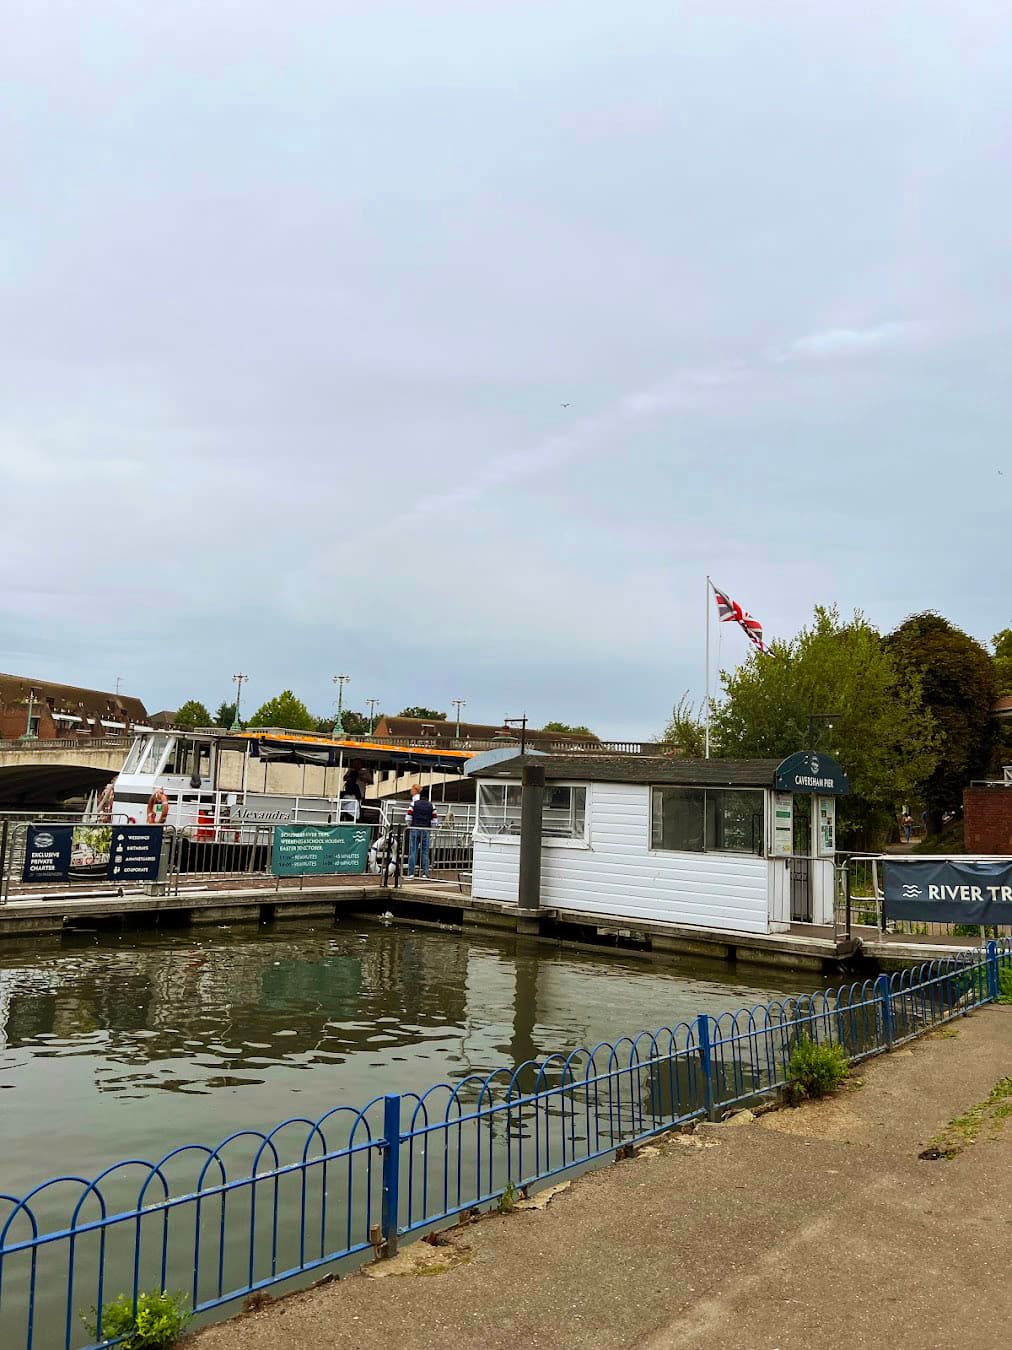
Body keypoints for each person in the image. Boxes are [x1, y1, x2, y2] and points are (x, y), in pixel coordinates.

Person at [405, 786, 438, 879]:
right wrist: (430, 827)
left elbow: (408, 818)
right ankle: (425, 874)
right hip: (426, 830)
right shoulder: (432, 806)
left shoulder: (414, 804)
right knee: (425, 852)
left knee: (413, 851)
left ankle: (411, 873)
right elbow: (435, 821)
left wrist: (410, 826)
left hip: (414, 828)